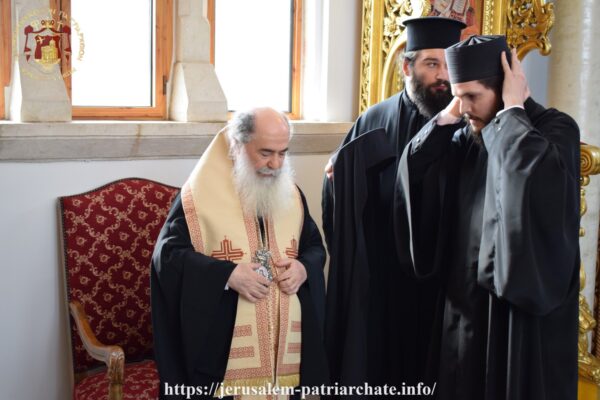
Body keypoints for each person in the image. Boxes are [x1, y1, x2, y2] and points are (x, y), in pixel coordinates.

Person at [395, 35, 579, 400]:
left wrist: (512, 112)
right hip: (464, 306)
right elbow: (416, 170)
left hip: (518, 314)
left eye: (472, 96)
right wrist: (449, 116)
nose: (463, 107)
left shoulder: (554, 129)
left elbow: (533, 183)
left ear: (506, 88)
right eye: (457, 95)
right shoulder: (468, 135)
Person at [322, 16, 466, 394]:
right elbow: (340, 201)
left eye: (449, 64)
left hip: (445, 279)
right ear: (406, 67)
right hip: (386, 279)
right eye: (431, 64)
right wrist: (340, 176)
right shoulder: (375, 120)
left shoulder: (468, 123)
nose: (442, 76)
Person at [151, 108, 329, 399]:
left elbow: (313, 246)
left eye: (283, 153)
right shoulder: (199, 197)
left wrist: (304, 268)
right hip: (222, 355)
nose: (275, 164)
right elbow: (168, 256)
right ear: (237, 145)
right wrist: (227, 275)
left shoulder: (291, 194)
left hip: (284, 351)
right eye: (265, 153)